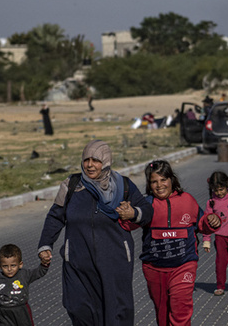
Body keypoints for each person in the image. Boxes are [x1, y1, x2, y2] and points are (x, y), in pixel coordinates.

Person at [37, 140, 152, 326]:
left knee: (116, 310)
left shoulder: (123, 186)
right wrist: (45, 244)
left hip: (115, 262)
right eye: (86, 160)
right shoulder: (71, 185)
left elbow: (147, 211)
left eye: (96, 160)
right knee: (78, 307)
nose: (90, 165)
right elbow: (55, 216)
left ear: (106, 161)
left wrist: (133, 213)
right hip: (77, 262)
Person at [117, 160, 220, 326]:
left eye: (163, 179)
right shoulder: (147, 204)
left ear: (172, 180)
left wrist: (211, 221)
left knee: (181, 310)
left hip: (184, 265)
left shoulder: (187, 200)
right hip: (154, 269)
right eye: (154, 181)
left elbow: (202, 224)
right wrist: (126, 214)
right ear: (149, 185)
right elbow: (129, 224)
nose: (159, 185)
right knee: (162, 313)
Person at [0, 244, 49, 326]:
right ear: (0, 266)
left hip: (21, 311)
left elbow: (38, 272)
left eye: (13, 265)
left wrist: (44, 264)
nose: (9, 269)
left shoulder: (24, 274)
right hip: (4, 314)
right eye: (5, 266)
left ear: (20, 264)